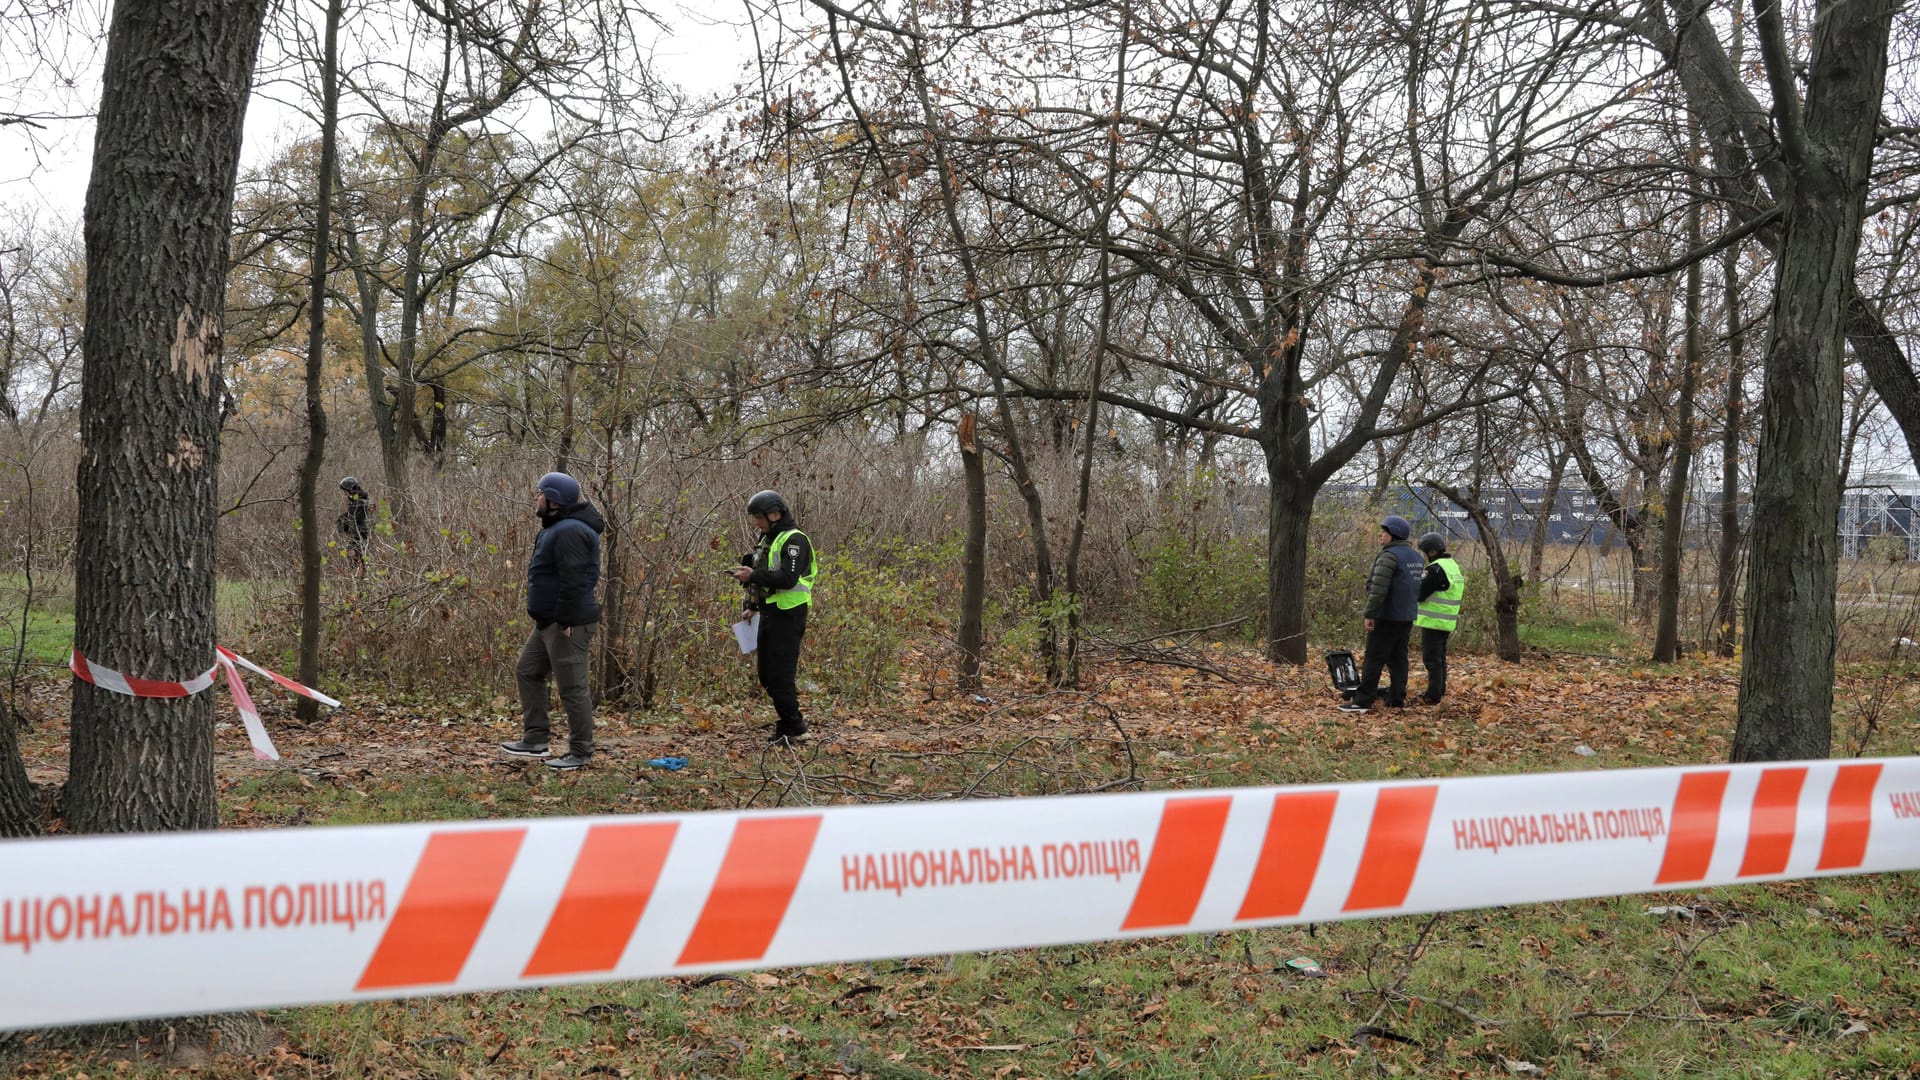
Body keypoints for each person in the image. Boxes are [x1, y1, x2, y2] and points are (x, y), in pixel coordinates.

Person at [500, 471, 604, 770]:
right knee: (528, 670)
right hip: (547, 622)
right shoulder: (557, 527)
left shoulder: (570, 530)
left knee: (572, 688)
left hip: (567, 623)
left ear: (554, 500)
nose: (536, 498)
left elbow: (579, 578)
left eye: (541, 494)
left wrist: (567, 617)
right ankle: (535, 739)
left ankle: (581, 751)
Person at [728, 489, 817, 747]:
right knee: (766, 675)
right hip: (769, 612)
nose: (756, 522)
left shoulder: (794, 540)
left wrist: (752, 575)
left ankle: (796, 727)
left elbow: (787, 579)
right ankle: (787, 723)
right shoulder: (769, 539)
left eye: (759, 517)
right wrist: (752, 605)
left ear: (775, 514)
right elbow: (764, 574)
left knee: (781, 675)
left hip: (789, 614)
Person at [1340, 515, 1423, 713]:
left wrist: (1370, 614)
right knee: (1398, 658)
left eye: (1384, 532)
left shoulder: (1389, 556)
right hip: (1407, 616)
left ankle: (1362, 700)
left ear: (1393, 535)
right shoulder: (1416, 557)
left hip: (1386, 616)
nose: (1380, 535)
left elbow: (1378, 590)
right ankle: (1396, 698)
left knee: (1374, 658)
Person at [1415, 532, 1465, 705]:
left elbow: (1420, 594)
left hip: (1433, 621)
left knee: (1431, 658)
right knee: (1440, 657)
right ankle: (1439, 690)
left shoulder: (1435, 569)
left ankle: (1433, 695)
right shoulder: (1452, 565)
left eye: (1424, 552)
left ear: (1431, 552)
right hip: (1447, 620)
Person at [336, 476, 372, 572]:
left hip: (360, 539)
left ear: (349, 490)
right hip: (365, 539)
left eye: (345, 491)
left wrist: (353, 546)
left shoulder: (358, 503)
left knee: (357, 566)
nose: (344, 494)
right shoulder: (364, 500)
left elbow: (357, 524)